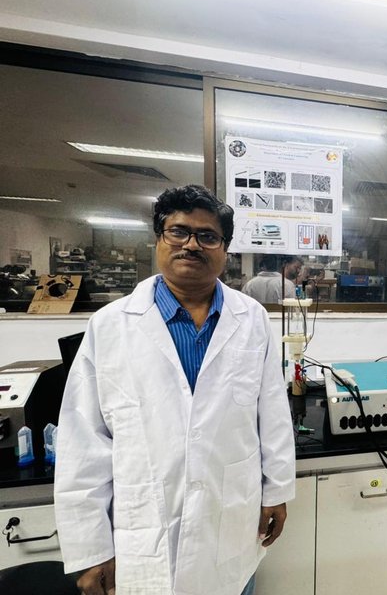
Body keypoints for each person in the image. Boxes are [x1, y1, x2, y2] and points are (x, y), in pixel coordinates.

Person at [54, 184, 296, 595]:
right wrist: (90, 546)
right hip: (143, 532)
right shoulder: (110, 325)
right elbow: (82, 441)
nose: (192, 245)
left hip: (230, 523)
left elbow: (272, 412)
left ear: (224, 249)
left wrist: (277, 491)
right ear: (159, 240)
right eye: (179, 232)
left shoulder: (251, 318)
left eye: (208, 236)